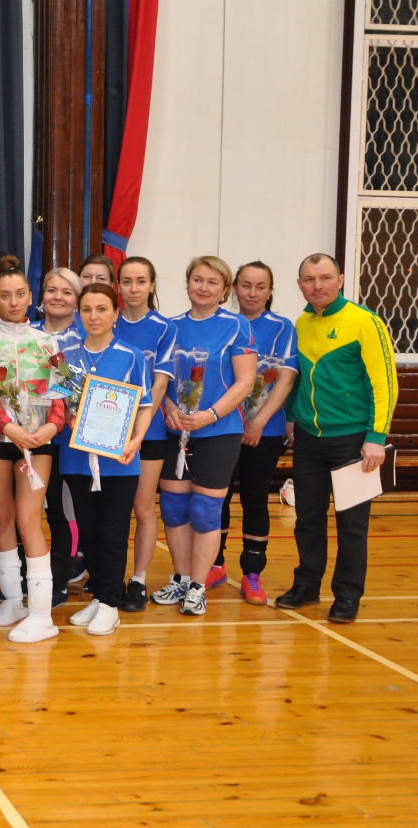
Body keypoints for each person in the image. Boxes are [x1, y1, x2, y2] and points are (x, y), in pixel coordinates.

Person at [275, 253, 397, 624]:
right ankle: (307, 585)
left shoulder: (365, 322)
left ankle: (347, 596)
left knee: (352, 526)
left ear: (340, 280)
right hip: (309, 439)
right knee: (307, 519)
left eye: (325, 278)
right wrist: (293, 418)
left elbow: (385, 384)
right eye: (309, 279)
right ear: (300, 285)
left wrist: (376, 437)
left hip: (354, 441)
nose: (318, 286)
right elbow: (298, 376)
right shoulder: (302, 323)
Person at [152, 256, 256, 617]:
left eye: (213, 282)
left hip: (219, 430)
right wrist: (169, 408)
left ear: (225, 289)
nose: (203, 287)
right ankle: (181, 579)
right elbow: (160, 379)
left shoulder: (236, 325)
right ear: (187, 283)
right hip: (175, 429)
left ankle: (198, 586)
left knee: (205, 511)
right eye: (197, 279)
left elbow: (245, 382)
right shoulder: (170, 327)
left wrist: (210, 415)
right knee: (173, 507)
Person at [0, 255, 66, 642]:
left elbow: (62, 392)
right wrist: (9, 428)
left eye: (19, 294)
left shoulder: (47, 342)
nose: (13, 302)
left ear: (31, 297)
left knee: (29, 521)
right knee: (2, 520)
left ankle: (42, 614)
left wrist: (49, 428)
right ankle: (13, 599)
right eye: (4, 295)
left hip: (37, 443)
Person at [61, 284, 156, 635]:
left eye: (102, 309)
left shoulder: (131, 356)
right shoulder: (66, 355)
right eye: (86, 309)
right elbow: (59, 400)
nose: (94, 316)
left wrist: (136, 441)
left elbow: (144, 406)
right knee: (89, 534)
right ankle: (100, 597)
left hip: (119, 460)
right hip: (76, 458)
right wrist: (68, 416)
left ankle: (111, 604)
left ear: (116, 313)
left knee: (113, 534)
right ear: (78, 315)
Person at [214, 261, 298, 605]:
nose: (252, 293)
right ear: (234, 288)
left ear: (270, 291)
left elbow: (286, 380)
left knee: (254, 497)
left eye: (260, 287)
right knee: (216, 497)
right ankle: (214, 564)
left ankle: (252, 574)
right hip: (221, 428)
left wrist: (258, 421)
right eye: (245, 285)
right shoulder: (224, 323)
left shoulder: (282, 327)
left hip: (265, 430)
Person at [112, 256, 176, 611]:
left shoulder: (165, 328)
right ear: (118, 285)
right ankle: (109, 577)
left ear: (152, 285)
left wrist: (136, 427)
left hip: (147, 432)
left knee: (142, 506)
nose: (133, 289)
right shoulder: (108, 320)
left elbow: (160, 384)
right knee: (114, 509)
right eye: (126, 281)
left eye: (141, 281)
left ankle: (137, 580)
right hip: (108, 429)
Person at [32, 268, 84, 599]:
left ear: (77, 299)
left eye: (67, 292)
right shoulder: (28, 333)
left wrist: (68, 408)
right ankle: (31, 575)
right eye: (52, 290)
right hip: (34, 437)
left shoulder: (85, 337)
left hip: (70, 439)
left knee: (64, 510)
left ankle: (60, 578)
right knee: (35, 509)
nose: (58, 297)